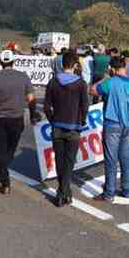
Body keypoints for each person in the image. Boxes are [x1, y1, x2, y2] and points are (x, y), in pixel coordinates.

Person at [0, 50, 39, 195]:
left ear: (1, 62)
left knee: (1, 150)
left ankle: (0, 179)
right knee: (10, 151)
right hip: (17, 119)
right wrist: (33, 115)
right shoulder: (23, 77)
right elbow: (31, 99)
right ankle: (2, 180)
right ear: (14, 61)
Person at [90, 56, 129, 202]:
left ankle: (109, 192)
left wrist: (104, 78)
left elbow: (93, 91)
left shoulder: (110, 82)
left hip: (112, 123)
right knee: (126, 156)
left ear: (112, 69)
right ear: (125, 68)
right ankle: (127, 189)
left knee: (111, 159)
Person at [43, 52, 89, 207]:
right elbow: (85, 106)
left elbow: (46, 106)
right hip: (74, 127)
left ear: (62, 65)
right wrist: (81, 121)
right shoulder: (81, 84)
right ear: (75, 65)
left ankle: (63, 191)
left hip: (57, 126)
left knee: (60, 161)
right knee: (69, 162)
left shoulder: (53, 82)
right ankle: (63, 192)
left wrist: (52, 120)